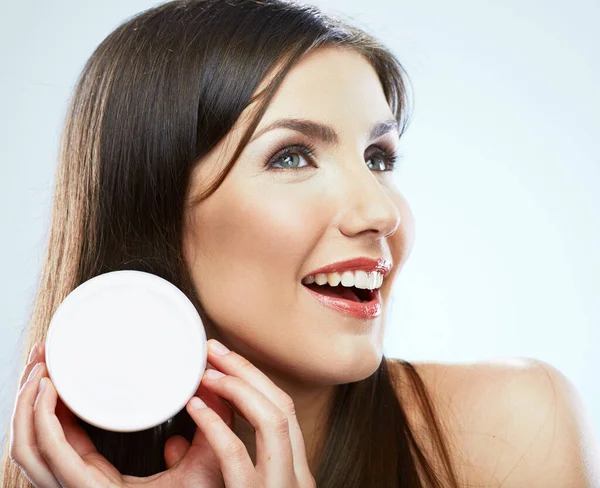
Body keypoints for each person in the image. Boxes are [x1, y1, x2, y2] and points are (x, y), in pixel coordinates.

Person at [2, 0, 599, 486]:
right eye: (292, 156)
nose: (381, 211)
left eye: (378, 158)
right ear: (150, 208)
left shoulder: (512, 431)